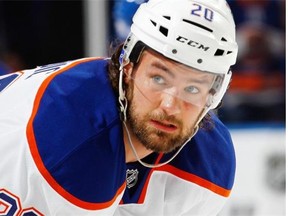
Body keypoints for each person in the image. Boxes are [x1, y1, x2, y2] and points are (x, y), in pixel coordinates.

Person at [0, 0, 238, 215]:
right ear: (128, 67)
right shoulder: (72, 133)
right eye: (158, 79)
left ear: (213, 95)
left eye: (193, 89)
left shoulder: (209, 166)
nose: (170, 106)